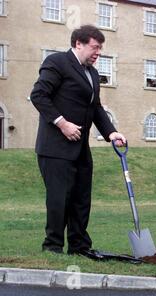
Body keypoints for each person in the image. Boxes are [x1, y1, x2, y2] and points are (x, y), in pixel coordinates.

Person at [30, 25, 126, 256]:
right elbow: (38, 95)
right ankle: (52, 246)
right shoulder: (57, 62)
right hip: (55, 148)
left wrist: (111, 132)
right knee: (59, 198)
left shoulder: (92, 73)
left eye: (101, 49)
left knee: (82, 199)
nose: (98, 53)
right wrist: (62, 123)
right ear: (78, 44)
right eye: (95, 47)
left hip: (80, 148)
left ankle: (79, 246)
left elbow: (95, 108)